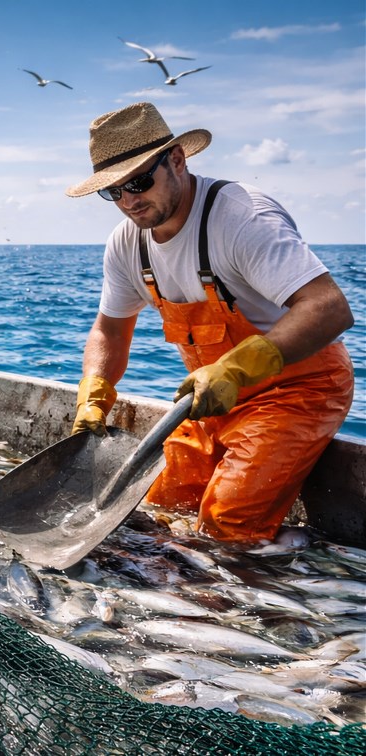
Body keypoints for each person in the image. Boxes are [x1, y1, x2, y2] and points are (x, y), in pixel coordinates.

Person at [65, 102, 354, 543]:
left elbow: (329, 307)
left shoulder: (241, 217)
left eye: (139, 182)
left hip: (298, 392)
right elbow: (109, 330)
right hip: (209, 402)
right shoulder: (127, 245)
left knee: (227, 524)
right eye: (113, 192)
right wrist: (94, 393)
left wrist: (235, 370)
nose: (129, 201)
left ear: (177, 160)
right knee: (160, 510)